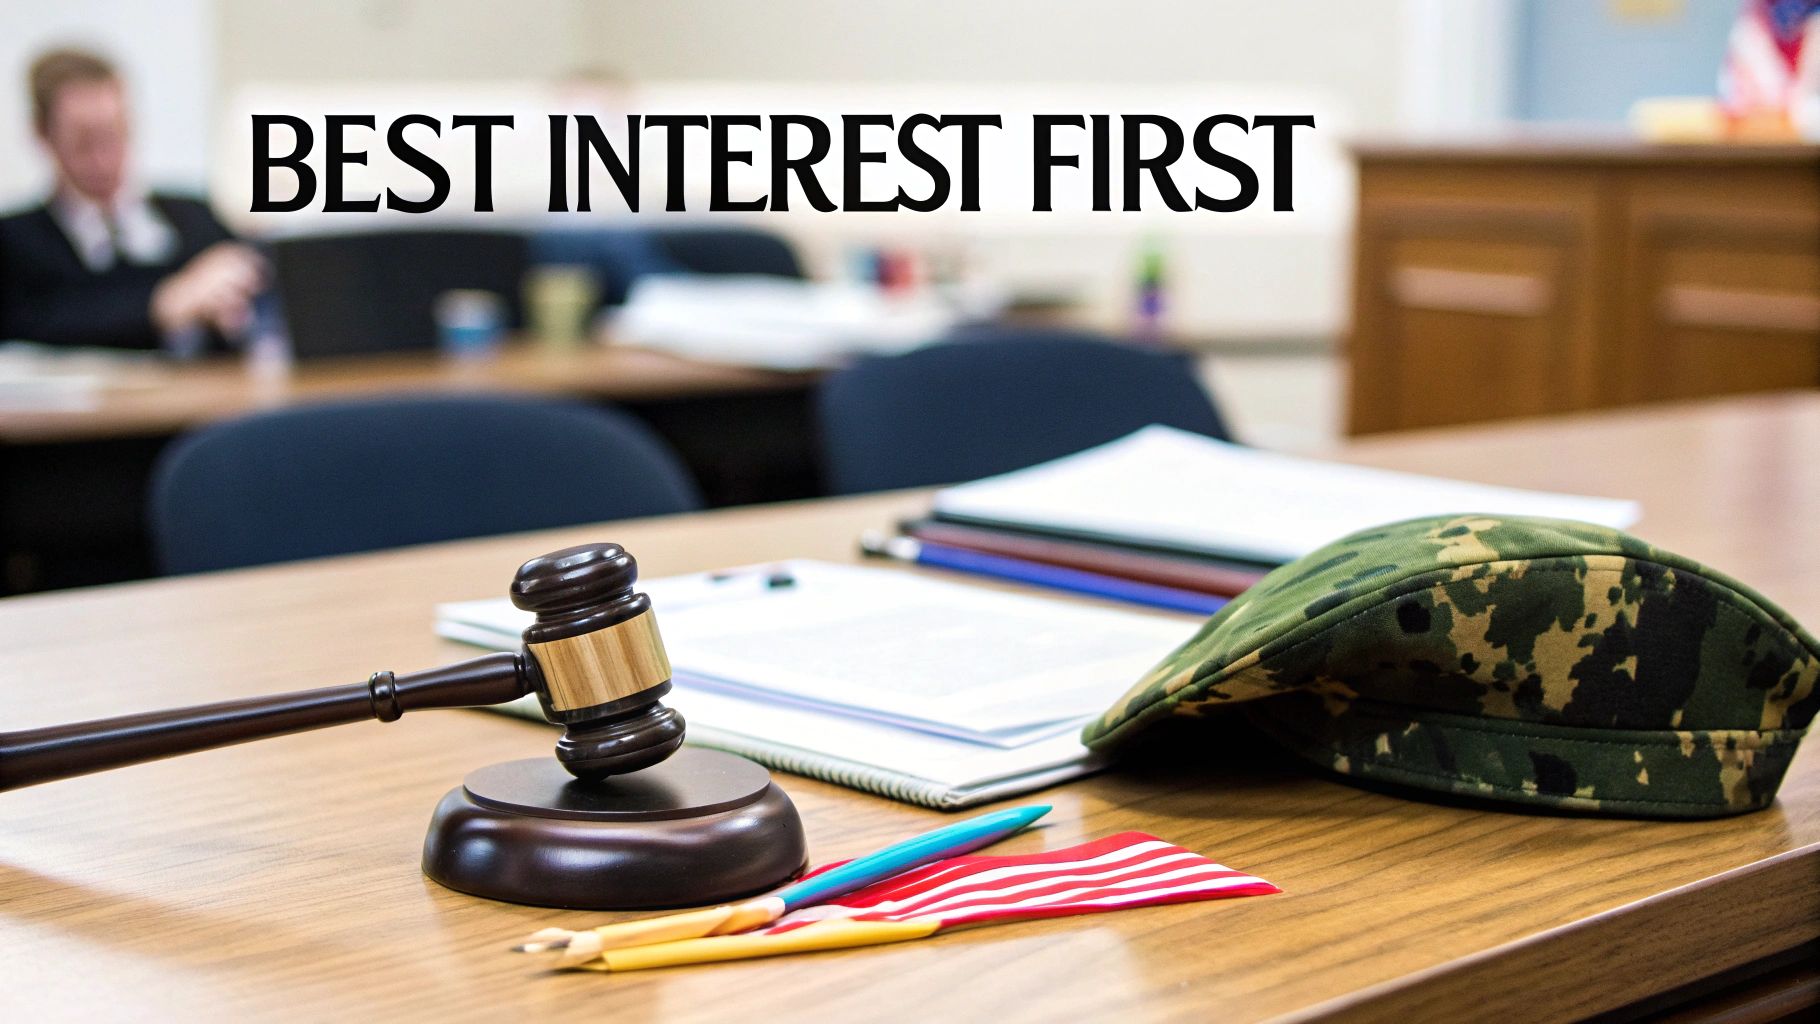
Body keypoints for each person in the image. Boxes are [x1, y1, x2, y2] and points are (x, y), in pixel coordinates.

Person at [0, 48, 265, 353]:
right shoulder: (15, 241)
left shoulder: (194, 217)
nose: (104, 159)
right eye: (84, 141)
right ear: (43, 134)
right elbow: (34, 322)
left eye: (115, 133)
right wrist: (164, 303)